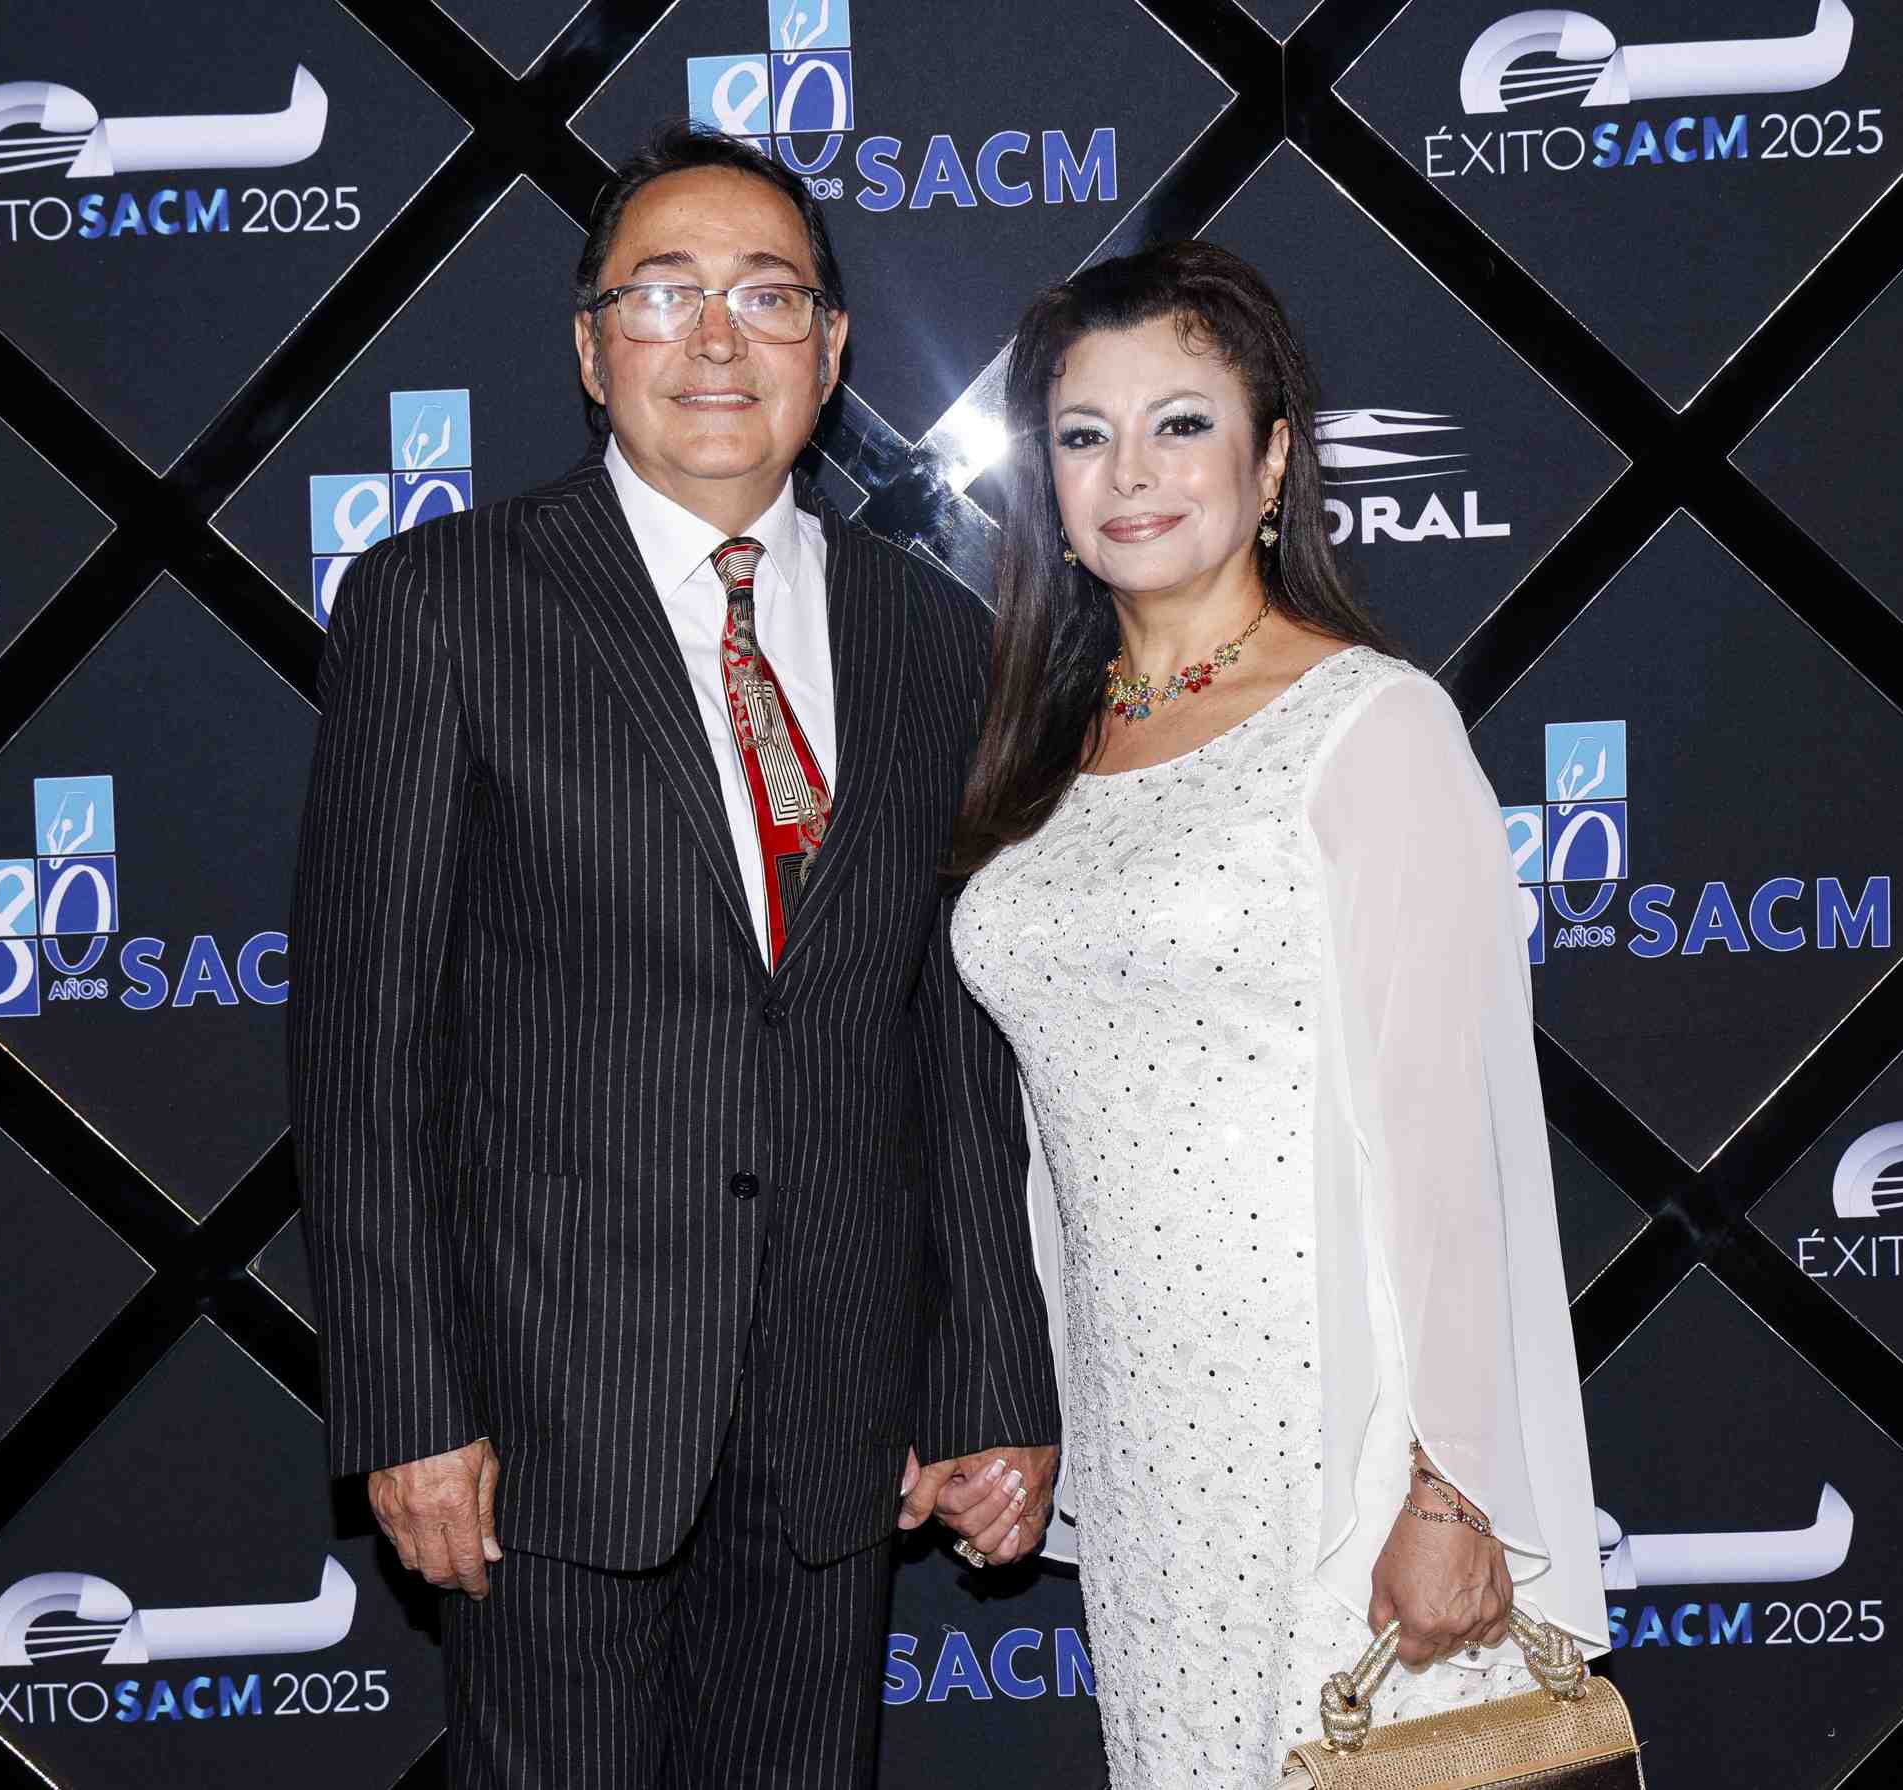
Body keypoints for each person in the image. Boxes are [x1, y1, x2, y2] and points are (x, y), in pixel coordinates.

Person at [284, 122, 1062, 1786]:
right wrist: (409, 1407)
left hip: (838, 1423)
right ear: (591, 347)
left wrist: (993, 1375)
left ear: (830, 352)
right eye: (664, 293)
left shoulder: (933, 632)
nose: (717, 339)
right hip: (545, 1425)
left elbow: (952, 1039)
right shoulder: (443, 603)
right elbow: (362, 1049)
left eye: (768, 297)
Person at [945, 240, 1611, 1784]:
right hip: (1142, 1438)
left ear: (1271, 464)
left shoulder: (1372, 724)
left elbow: (1450, 1143)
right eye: (1085, 433)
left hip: (1336, 1433)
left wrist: (1452, 1488)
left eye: (1182, 423)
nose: (1131, 471)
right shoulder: (1040, 748)